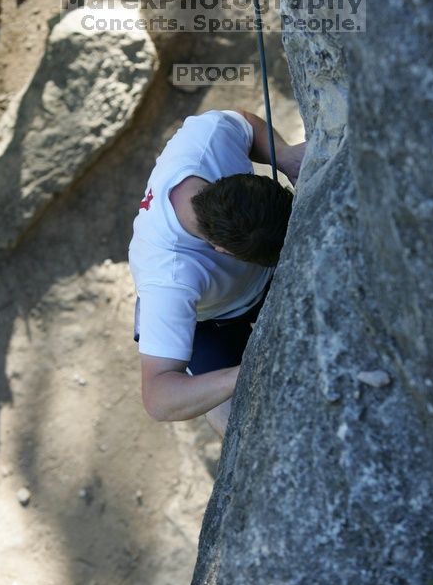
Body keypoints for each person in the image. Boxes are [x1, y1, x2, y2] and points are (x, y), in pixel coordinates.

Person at [128, 109, 305, 438]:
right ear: (220, 250)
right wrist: (243, 372)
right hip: (206, 320)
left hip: (252, 281)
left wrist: (285, 156)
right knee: (240, 423)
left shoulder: (209, 140)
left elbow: (246, 124)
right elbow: (159, 397)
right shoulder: (169, 279)